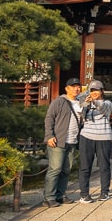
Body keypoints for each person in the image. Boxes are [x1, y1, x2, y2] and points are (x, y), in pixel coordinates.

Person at [43, 77, 83, 207]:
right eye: (73, 86)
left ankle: (60, 195)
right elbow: (49, 118)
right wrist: (49, 135)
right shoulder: (59, 102)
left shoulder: (80, 103)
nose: (76, 89)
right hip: (58, 141)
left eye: (78, 86)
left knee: (66, 169)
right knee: (55, 169)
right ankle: (49, 197)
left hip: (72, 141)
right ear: (67, 88)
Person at [76, 80, 112, 203]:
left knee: (104, 166)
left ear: (102, 91)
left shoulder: (107, 103)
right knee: (85, 166)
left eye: (97, 90)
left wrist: (93, 101)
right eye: (92, 90)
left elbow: (102, 108)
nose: (94, 93)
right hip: (86, 136)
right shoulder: (85, 102)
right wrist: (84, 104)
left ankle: (104, 192)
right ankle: (84, 194)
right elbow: (80, 115)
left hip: (103, 137)